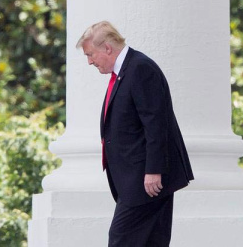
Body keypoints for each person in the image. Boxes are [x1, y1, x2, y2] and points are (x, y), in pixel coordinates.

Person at [76, 21, 194, 247]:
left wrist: (153, 170)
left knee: (121, 239)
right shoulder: (125, 72)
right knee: (151, 241)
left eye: (90, 54)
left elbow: (156, 123)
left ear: (107, 48)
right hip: (134, 179)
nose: (90, 61)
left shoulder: (140, 68)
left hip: (145, 180)